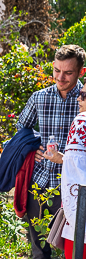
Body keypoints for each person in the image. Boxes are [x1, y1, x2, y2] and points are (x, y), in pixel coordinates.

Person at [17, 44, 86, 259]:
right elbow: (21, 128)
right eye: (57, 70)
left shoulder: (85, 100)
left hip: (74, 188)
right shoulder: (39, 97)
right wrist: (32, 148)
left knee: (72, 249)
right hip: (39, 181)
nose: (60, 77)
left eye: (68, 73)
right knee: (39, 249)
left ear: (81, 71)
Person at [44, 85, 86, 258]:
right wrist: (64, 158)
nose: (78, 99)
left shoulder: (82, 121)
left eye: (83, 95)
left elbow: (77, 174)